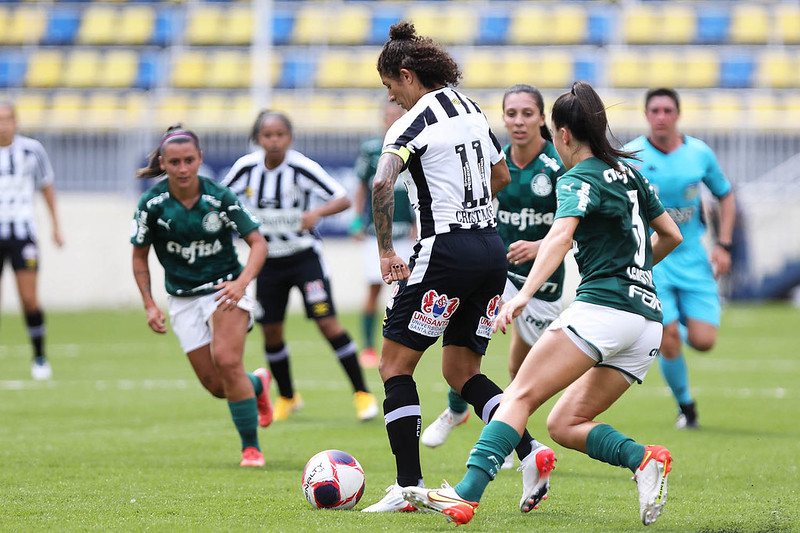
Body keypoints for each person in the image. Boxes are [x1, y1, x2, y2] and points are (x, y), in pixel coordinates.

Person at [402, 81, 683, 527]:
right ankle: (643, 458)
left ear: (564, 134)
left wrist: (523, 297)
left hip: (603, 310)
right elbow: (672, 235)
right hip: (646, 320)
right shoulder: (631, 173)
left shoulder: (577, 177)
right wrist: (637, 273)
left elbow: (559, 236)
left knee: (517, 395)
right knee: (566, 423)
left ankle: (465, 494)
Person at [361, 22, 555, 514]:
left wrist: (387, 251)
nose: (393, 99)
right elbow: (502, 174)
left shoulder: (410, 124)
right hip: (490, 248)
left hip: (444, 251)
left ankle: (408, 488)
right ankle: (531, 453)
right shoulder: (471, 111)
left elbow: (382, 185)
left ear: (407, 75)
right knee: (461, 370)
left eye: (391, 88)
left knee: (393, 365)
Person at [420, 85, 567, 471]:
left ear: (541, 119)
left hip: (542, 280)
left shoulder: (557, 167)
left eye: (527, 113)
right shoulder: (489, 160)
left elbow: (576, 228)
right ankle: (457, 412)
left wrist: (539, 246)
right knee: (462, 341)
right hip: (496, 272)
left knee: (523, 369)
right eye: (511, 114)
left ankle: (508, 428)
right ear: (503, 118)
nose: (518, 122)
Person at [221, 110, 379, 422]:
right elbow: (221, 197)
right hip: (267, 261)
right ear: (258, 139)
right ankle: (287, 396)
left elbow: (343, 198)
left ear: (290, 138)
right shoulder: (246, 168)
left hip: (304, 258)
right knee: (271, 332)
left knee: (327, 323)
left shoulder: (301, 167)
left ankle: (362, 393)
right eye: (267, 135)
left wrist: (316, 214)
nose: (274, 140)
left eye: (280, 134)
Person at [131, 125, 273, 468]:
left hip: (225, 287)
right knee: (217, 385)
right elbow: (139, 256)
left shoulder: (219, 197)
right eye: (175, 162)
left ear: (200, 160)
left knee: (227, 361)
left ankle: (250, 448)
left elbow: (258, 243)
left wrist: (241, 283)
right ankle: (257, 384)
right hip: (182, 297)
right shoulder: (151, 204)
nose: (182, 169)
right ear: (163, 163)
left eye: (189, 161)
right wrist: (150, 304)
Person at [624, 88, 735, 429]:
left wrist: (724, 245)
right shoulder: (631, 155)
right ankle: (686, 408)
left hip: (691, 257)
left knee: (703, 341)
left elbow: (725, 195)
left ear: (677, 114)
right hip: (653, 258)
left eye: (667, 110)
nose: (661, 116)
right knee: (667, 334)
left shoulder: (698, 153)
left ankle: (678, 329)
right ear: (646, 115)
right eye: (654, 110)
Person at [0, 101, 63, 380]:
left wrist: (55, 225)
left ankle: (39, 357)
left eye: (7, 119)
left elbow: (46, 185)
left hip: (23, 232)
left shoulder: (32, 150)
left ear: (16, 121)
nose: (3, 125)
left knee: (28, 298)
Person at [351, 103, 416, 368]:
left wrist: (417, 223)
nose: (392, 120)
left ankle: (404, 345)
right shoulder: (371, 149)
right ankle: (367, 346)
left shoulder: (412, 146)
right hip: (377, 234)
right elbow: (362, 188)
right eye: (388, 116)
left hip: (404, 232)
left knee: (408, 289)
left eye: (397, 116)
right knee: (374, 287)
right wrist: (357, 219)